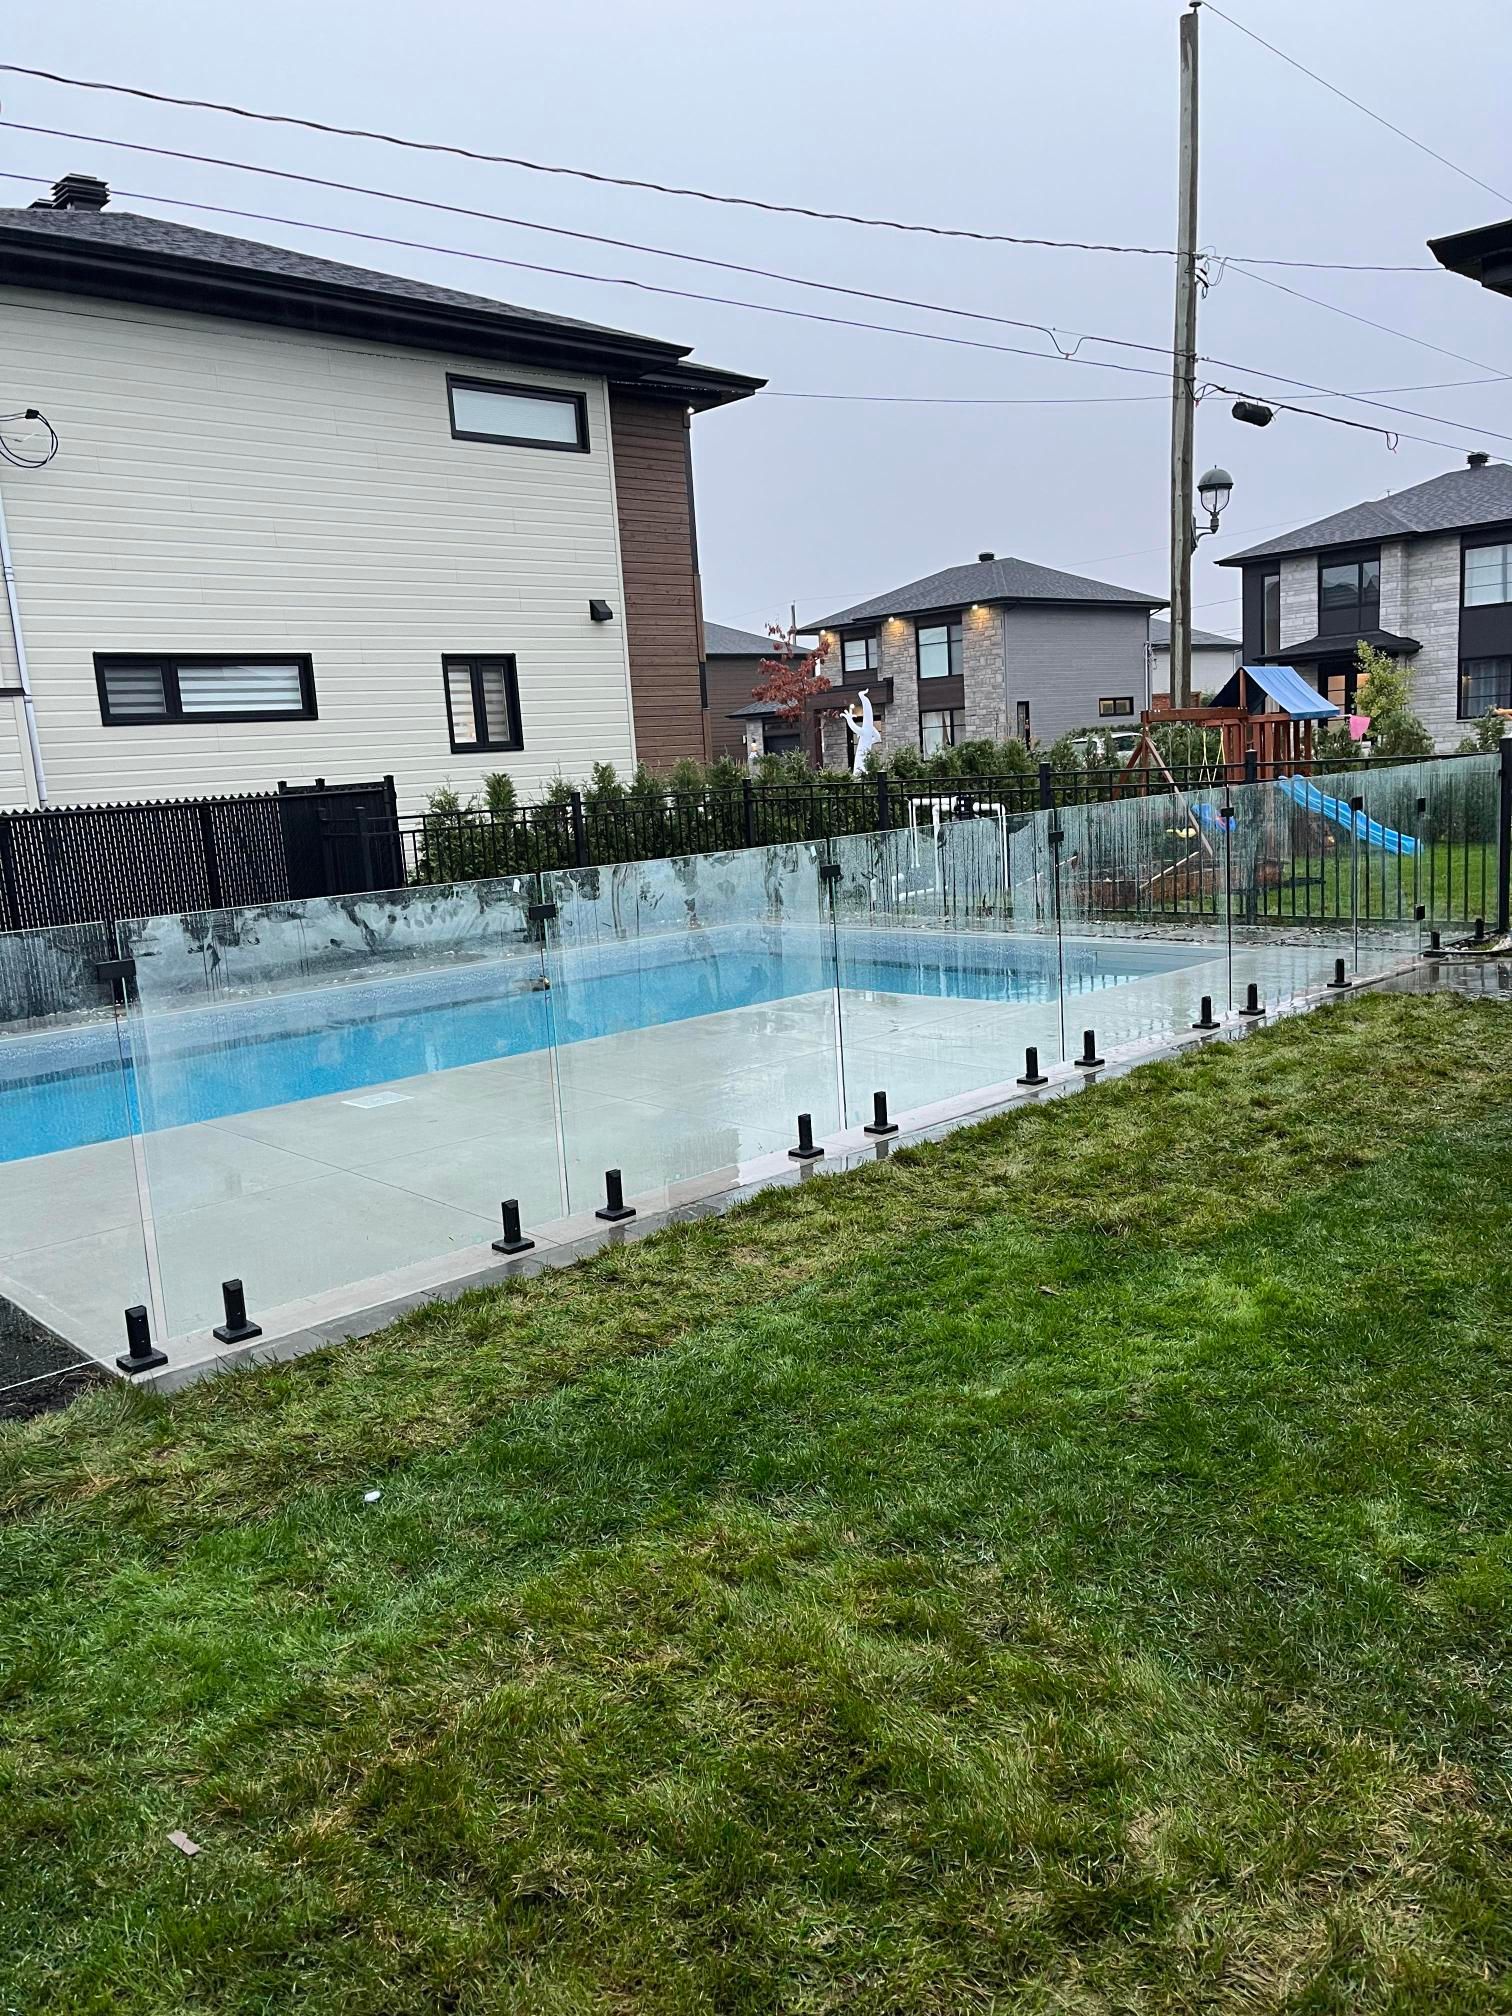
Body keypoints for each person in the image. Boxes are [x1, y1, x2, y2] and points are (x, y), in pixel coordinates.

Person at [844, 689, 883, 777]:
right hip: (866, 754)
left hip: (861, 754)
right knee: (864, 769)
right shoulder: (868, 732)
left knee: (859, 769)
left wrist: (849, 719)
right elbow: (878, 738)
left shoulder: (865, 731)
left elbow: (854, 728)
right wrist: (871, 732)